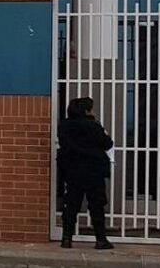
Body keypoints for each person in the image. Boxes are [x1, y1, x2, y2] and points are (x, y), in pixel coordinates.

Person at [57, 97, 114, 250]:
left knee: (71, 205)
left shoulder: (64, 126)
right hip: (93, 171)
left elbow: (63, 144)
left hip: (72, 170)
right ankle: (100, 239)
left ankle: (66, 238)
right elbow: (107, 143)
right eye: (91, 109)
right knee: (96, 205)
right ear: (86, 111)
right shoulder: (93, 126)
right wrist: (98, 125)